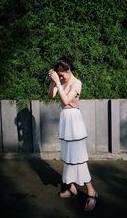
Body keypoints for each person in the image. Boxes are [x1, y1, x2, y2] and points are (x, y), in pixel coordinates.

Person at [47, 55, 98, 212]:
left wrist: (58, 83)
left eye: (62, 74)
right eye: (59, 74)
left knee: (79, 158)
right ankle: (71, 187)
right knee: (68, 157)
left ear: (68, 70)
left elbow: (65, 101)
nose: (61, 77)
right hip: (65, 120)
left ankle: (91, 191)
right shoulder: (61, 81)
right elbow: (51, 95)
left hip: (74, 122)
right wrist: (52, 81)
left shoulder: (77, 83)